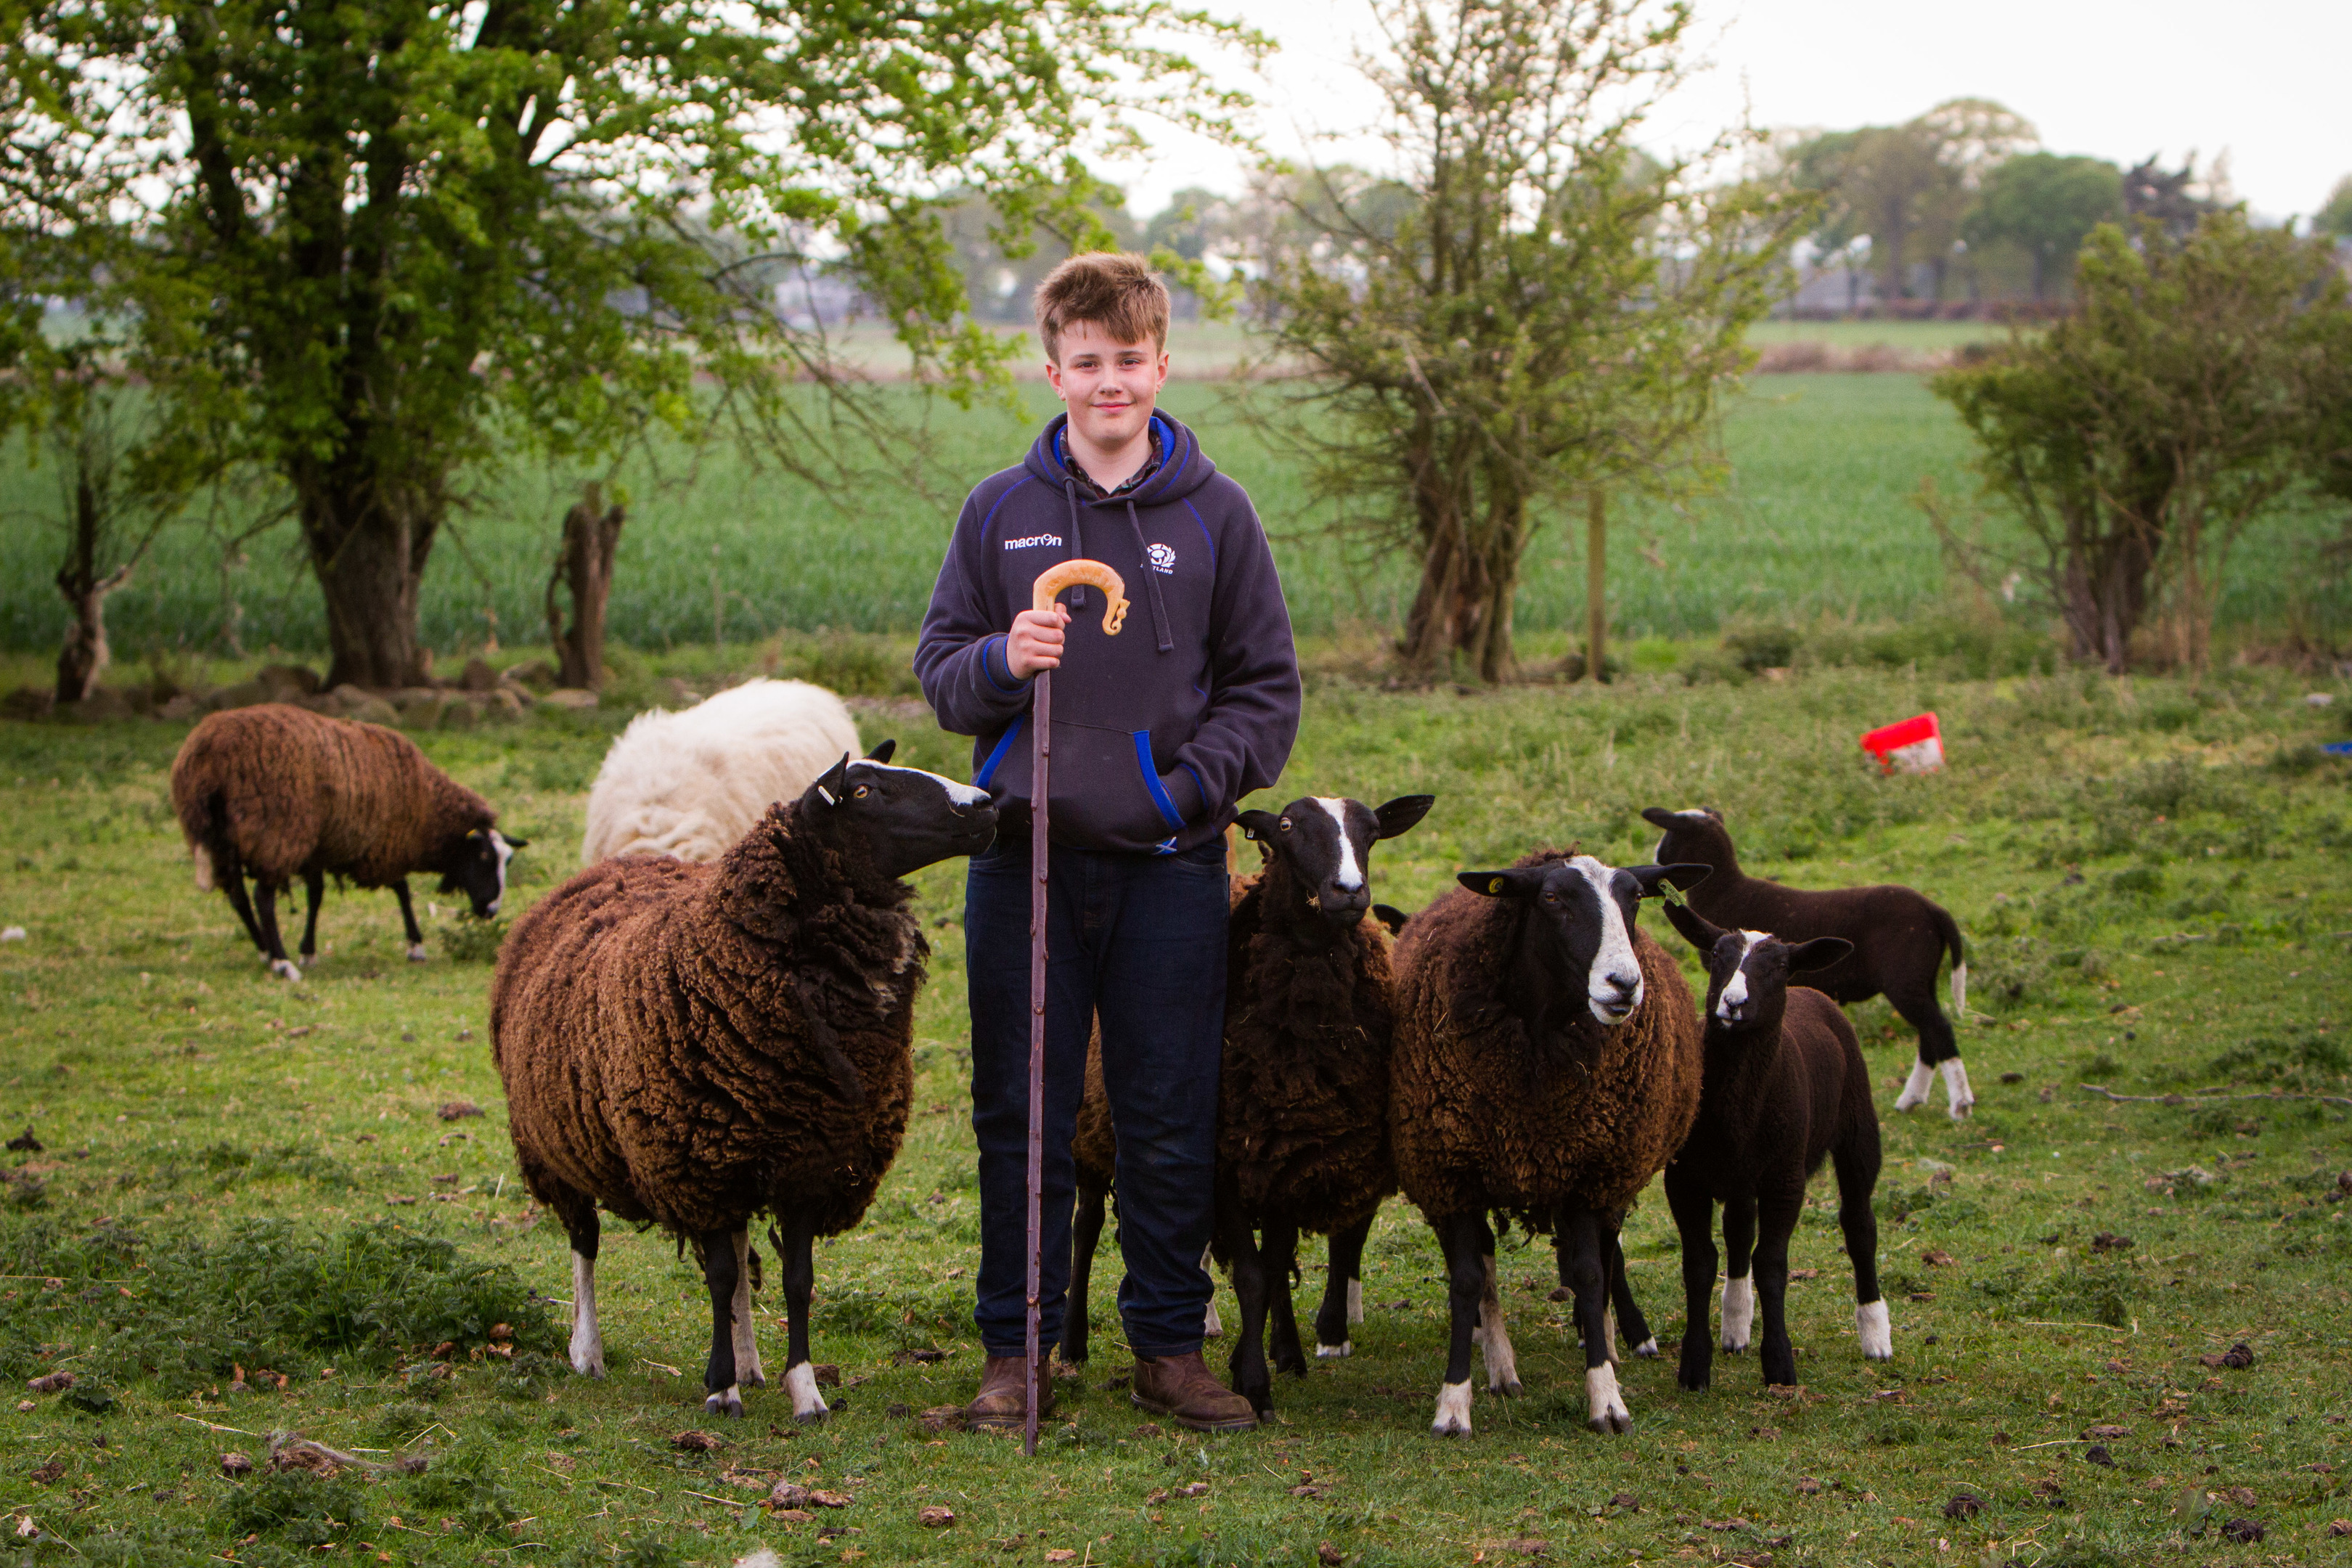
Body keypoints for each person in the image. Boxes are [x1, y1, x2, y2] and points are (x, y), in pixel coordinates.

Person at [914, 251, 1300, 1433]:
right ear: (1053, 370)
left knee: (1169, 1108)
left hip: (1171, 869)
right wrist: (999, 663)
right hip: (1019, 865)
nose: (1109, 383)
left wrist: (1180, 795)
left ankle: (1170, 1349)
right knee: (1017, 1111)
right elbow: (940, 677)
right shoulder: (1001, 513)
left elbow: (1266, 695)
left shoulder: (1217, 514)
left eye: (1130, 360)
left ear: (1161, 364)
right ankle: (1016, 1355)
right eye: (1088, 363)